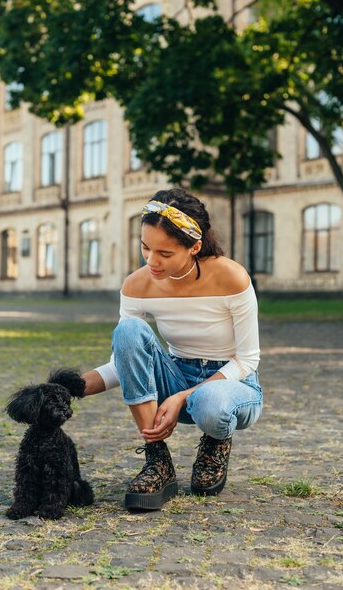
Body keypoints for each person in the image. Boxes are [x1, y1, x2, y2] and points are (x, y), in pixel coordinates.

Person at [81, 188, 262, 511]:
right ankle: (157, 461)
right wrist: (71, 387)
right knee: (128, 330)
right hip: (176, 373)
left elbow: (248, 358)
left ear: (194, 246)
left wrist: (182, 397)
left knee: (209, 403)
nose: (151, 260)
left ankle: (215, 441)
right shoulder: (137, 285)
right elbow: (126, 359)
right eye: (145, 247)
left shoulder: (231, 277)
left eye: (164, 253)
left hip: (234, 384)